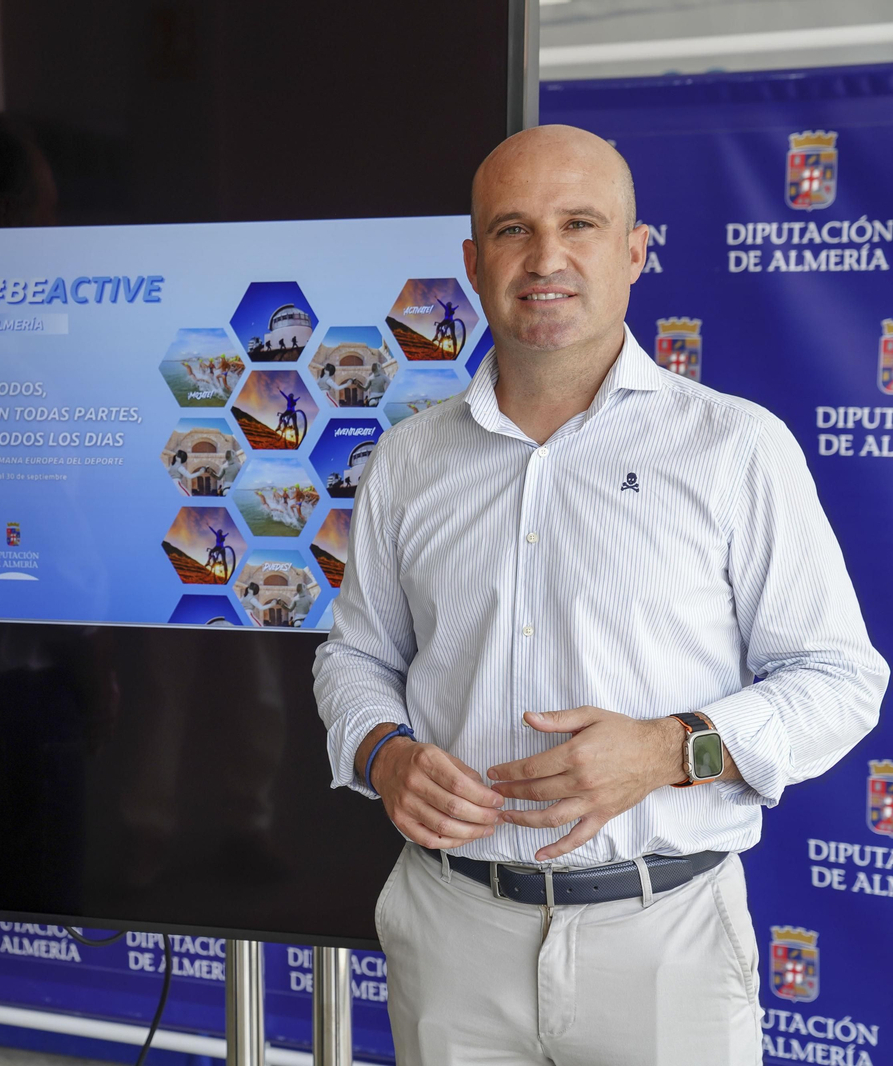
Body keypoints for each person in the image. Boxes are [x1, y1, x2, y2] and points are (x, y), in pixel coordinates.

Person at [313, 125, 886, 1066]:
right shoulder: (410, 461)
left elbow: (839, 679)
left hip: (665, 944)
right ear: (472, 259)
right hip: (452, 933)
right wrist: (382, 754)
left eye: (580, 223)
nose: (546, 258)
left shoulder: (735, 448)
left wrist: (670, 750)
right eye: (512, 229)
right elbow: (357, 657)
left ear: (632, 252)